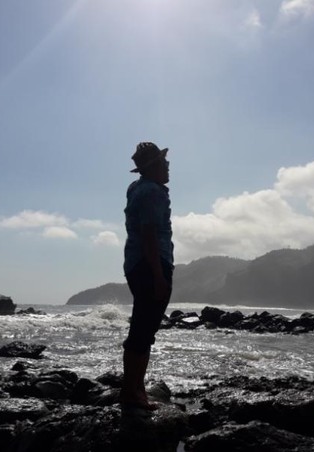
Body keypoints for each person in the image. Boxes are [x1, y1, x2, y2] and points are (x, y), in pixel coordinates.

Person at [120, 142, 174, 411]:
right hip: (150, 263)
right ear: (153, 167)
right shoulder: (152, 192)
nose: (168, 166)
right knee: (143, 330)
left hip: (135, 263)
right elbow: (150, 235)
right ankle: (132, 394)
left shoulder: (137, 188)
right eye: (164, 163)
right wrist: (159, 275)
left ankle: (135, 390)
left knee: (142, 328)